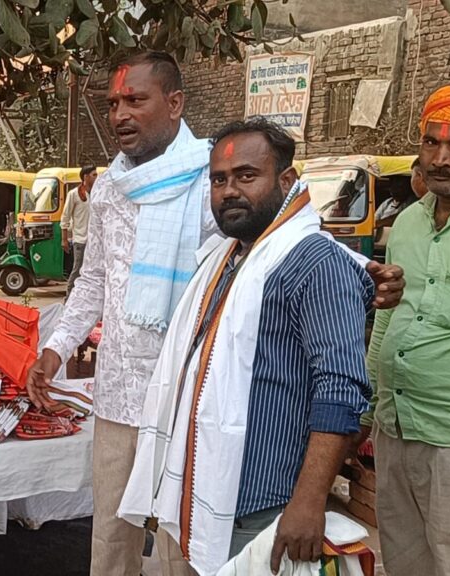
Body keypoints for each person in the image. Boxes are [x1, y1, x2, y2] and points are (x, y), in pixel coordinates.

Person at [24, 51, 404, 576]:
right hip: (120, 393)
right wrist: (55, 347)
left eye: (135, 100)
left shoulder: (214, 171)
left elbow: (281, 236)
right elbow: (94, 279)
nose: (120, 115)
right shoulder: (110, 186)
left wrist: (361, 269)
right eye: (112, 104)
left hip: (195, 400)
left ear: (175, 103)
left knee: (185, 544)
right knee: (111, 536)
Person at [119, 118, 373, 575]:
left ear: (287, 180)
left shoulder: (316, 263)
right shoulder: (228, 257)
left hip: (269, 503)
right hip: (215, 490)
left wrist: (309, 501)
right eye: (219, 180)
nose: (229, 191)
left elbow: (340, 391)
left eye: (247, 176)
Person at [363, 85, 450, 575]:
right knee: (404, 560)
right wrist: (366, 409)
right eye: (431, 143)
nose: (442, 158)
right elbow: (387, 317)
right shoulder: (405, 225)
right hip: (395, 426)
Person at [61, 165, 97, 296]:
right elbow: (65, 217)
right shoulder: (74, 194)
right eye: (94, 175)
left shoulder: (97, 193)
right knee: (77, 270)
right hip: (80, 240)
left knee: (93, 271)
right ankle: (68, 298)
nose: (96, 177)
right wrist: (64, 239)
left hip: (95, 241)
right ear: (85, 177)